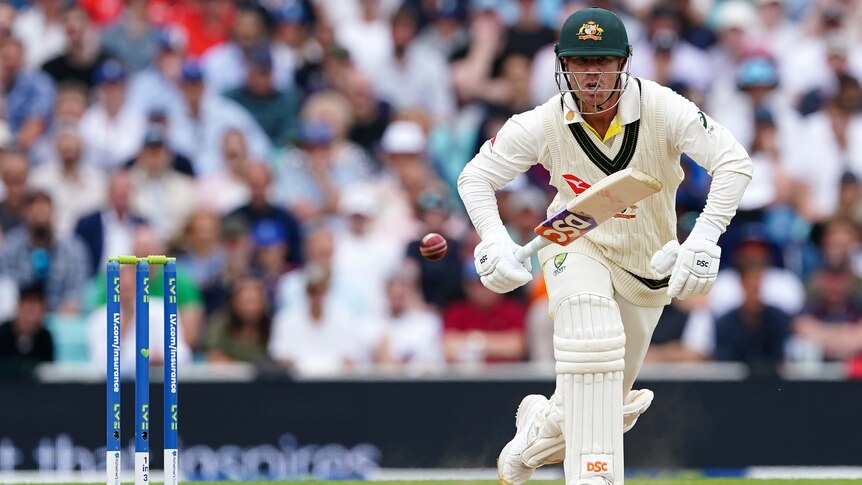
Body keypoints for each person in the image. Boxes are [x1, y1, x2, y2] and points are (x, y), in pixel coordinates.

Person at [456, 8, 753, 485]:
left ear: (623, 64)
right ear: (562, 67)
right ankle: (595, 476)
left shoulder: (662, 107)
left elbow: (734, 162)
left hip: (647, 266)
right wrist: (493, 238)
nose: (591, 74)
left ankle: (538, 435)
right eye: (579, 62)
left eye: (602, 61)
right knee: (592, 348)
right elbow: (476, 176)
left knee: (599, 395)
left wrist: (703, 238)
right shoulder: (545, 120)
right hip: (574, 241)